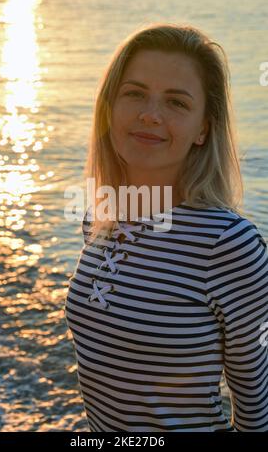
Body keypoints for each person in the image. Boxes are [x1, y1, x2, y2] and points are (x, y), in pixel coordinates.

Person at [64, 23, 268, 432]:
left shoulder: (228, 245)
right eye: (135, 93)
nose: (150, 115)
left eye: (176, 102)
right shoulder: (101, 216)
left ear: (203, 129)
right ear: (109, 108)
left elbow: (255, 399)